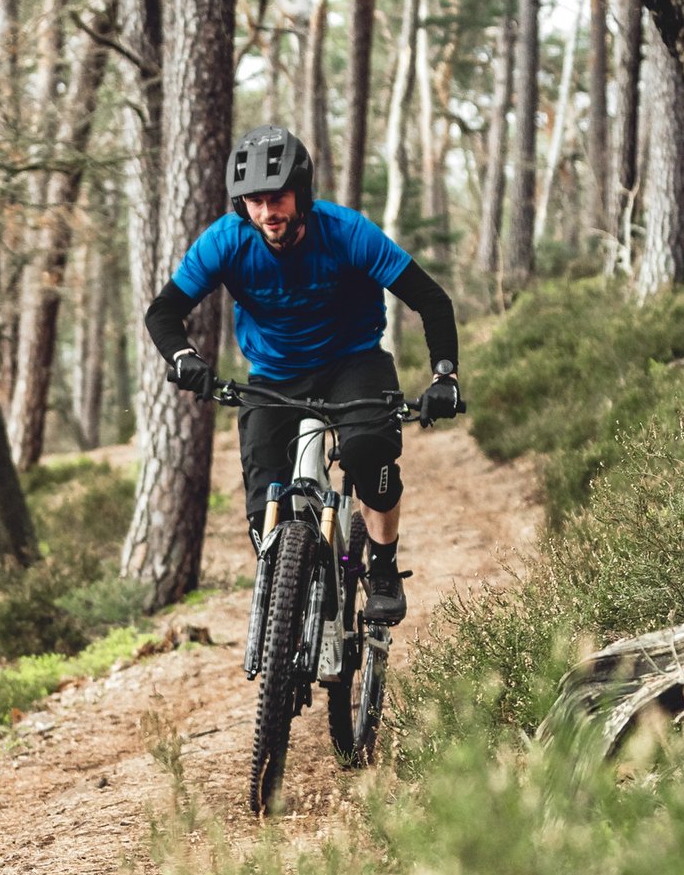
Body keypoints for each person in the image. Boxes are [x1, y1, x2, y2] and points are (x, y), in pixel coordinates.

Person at [143, 125, 462, 624]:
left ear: (302, 193)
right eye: (254, 202)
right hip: (273, 374)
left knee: (367, 452)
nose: (268, 213)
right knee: (261, 494)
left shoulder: (347, 232)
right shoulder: (227, 241)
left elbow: (430, 301)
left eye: (277, 198)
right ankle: (285, 585)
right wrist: (184, 357)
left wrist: (445, 375)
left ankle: (381, 567)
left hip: (353, 361)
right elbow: (164, 312)